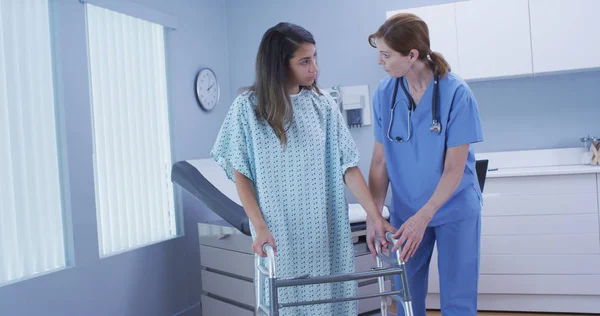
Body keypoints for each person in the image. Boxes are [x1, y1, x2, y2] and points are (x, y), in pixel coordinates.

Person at [210, 22, 395, 316]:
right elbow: (240, 173)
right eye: (304, 61)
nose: (315, 68)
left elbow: (348, 166)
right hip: (279, 233)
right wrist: (259, 229)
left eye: (315, 58)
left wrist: (375, 217)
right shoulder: (247, 108)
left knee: (332, 304)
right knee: (286, 306)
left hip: (326, 229)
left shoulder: (324, 105)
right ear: (279, 65)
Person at [366, 13, 484, 316]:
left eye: (386, 55)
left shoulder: (457, 93)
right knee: (406, 294)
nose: (380, 61)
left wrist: (424, 218)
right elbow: (380, 161)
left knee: (457, 298)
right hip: (406, 210)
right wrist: (374, 214)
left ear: (412, 55)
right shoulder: (384, 93)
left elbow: (454, 170)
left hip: (453, 208)